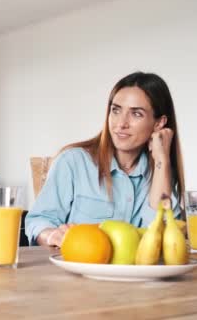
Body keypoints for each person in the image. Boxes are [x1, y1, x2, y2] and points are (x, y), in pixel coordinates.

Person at [25, 72, 185, 247]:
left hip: (140, 274)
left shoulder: (159, 176)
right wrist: (51, 235)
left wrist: (162, 159)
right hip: (79, 270)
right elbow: (38, 220)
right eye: (116, 110)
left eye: (136, 114)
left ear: (158, 123)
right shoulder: (73, 162)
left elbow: (164, 237)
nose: (121, 123)